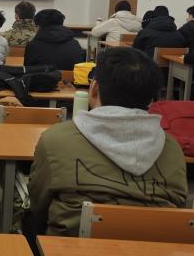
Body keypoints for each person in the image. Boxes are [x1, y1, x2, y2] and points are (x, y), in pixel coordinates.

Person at [28, 47, 187, 237]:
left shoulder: (56, 139)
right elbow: (179, 205)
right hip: (155, 249)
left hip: (69, 247)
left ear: (94, 88)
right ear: (152, 99)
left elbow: (38, 204)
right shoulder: (172, 148)